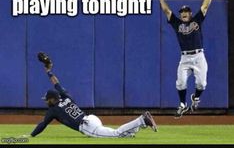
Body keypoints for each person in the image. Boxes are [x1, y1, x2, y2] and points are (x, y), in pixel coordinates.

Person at [25, 54, 158, 138]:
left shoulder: (53, 110)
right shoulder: (66, 97)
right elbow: (56, 83)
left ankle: (142, 120)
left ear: (53, 99)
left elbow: (42, 125)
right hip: (91, 118)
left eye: (47, 100)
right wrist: (49, 72)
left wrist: (31, 135)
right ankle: (135, 129)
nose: (46, 102)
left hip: (87, 126)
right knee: (119, 136)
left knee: (115, 134)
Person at [157, 0, 215, 119]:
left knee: (202, 83)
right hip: (185, 58)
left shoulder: (196, 20)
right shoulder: (177, 24)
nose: (183, 13)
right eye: (182, 12)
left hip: (199, 56)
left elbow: (205, 6)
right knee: (181, 82)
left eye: (186, 12)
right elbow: (167, 11)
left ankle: (195, 97)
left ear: (190, 13)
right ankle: (182, 104)